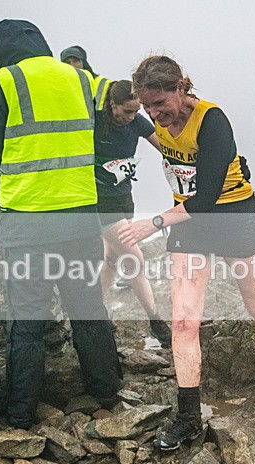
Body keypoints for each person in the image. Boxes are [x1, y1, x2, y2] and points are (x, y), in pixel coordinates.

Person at [118, 56, 255, 451]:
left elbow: (210, 198)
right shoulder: (154, 120)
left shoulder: (213, 121)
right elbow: (114, 107)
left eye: (160, 104)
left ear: (181, 88)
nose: (155, 114)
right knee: (183, 322)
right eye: (147, 107)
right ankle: (188, 418)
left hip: (232, 215)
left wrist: (154, 223)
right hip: (189, 224)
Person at [0, 19, 123, 429]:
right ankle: (106, 391)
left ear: (0, 53)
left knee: (27, 323)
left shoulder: (2, 83)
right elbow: (122, 99)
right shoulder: (79, 78)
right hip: (79, 218)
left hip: (28, 223)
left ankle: (21, 413)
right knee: (88, 309)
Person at [92, 79, 172, 348]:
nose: (130, 117)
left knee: (113, 259)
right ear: (112, 104)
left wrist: (191, 160)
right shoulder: (96, 120)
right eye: (125, 111)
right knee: (134, 257)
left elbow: (164, 146)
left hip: (124, 197)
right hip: (101, 202)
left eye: (135, 111)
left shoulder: (137, 122)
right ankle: (156, 321)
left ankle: (93, 315)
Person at [60, 45, 110, 111]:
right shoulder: (60, 87)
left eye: (75, 61)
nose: (72, 65)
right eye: (67, 63)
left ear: (83, 63)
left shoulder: (105, 84)